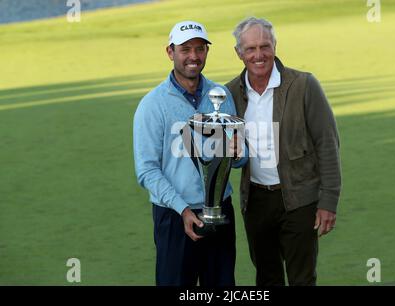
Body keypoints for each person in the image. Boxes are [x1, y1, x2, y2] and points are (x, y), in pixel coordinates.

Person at [225, 17, 342, 286]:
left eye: (265, 46)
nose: (258, 55)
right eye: (250, 48)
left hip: (299, 200)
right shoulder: (230, 92)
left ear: (275, 46)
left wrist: (328, 202)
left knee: (302, 278)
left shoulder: (303, 85)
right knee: (267, 278)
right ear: (238, 53)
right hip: (254, 202)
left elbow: (327, 143)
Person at [133, 20, 245, 286]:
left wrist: (239, 152)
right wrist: (182, 210)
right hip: (174, 216)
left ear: (206, 52)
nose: (193, 56)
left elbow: (238, 157)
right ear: (170, 53)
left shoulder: (221, 96)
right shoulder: (152, 105)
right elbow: (146, 170)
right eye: (185, 49)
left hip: (220, 210)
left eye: (200, 48)